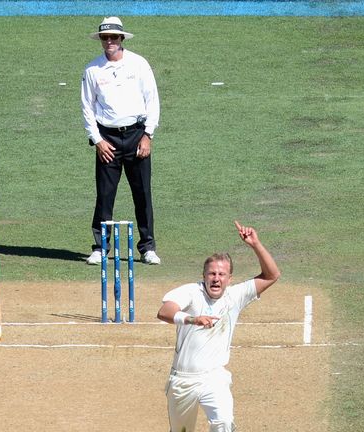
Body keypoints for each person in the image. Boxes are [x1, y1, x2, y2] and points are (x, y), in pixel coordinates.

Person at [156, 221, 281, 432]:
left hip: (213, 377)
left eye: (221, 274)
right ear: (203, 276)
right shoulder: (191, 292)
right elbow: (164, 312)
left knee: (223, 422)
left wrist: (255, 244)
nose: (216, 279)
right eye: (212, 274)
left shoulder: (236, 296)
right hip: (182, 380)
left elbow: (272, 275)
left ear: (229, 278)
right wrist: (192, 319)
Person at [81, 16, 161, 265]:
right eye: (105, 38)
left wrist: (148, 135)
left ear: (122, 39)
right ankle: (100, 247)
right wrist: (97, 141)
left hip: (137, 135)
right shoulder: (92, 70)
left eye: (113, 37)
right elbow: (87, 107)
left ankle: (147, 247)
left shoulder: (139, 64)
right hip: (108, 139)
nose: (109, 42)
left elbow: (153, 101)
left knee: (142, 194)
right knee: (105, 195)